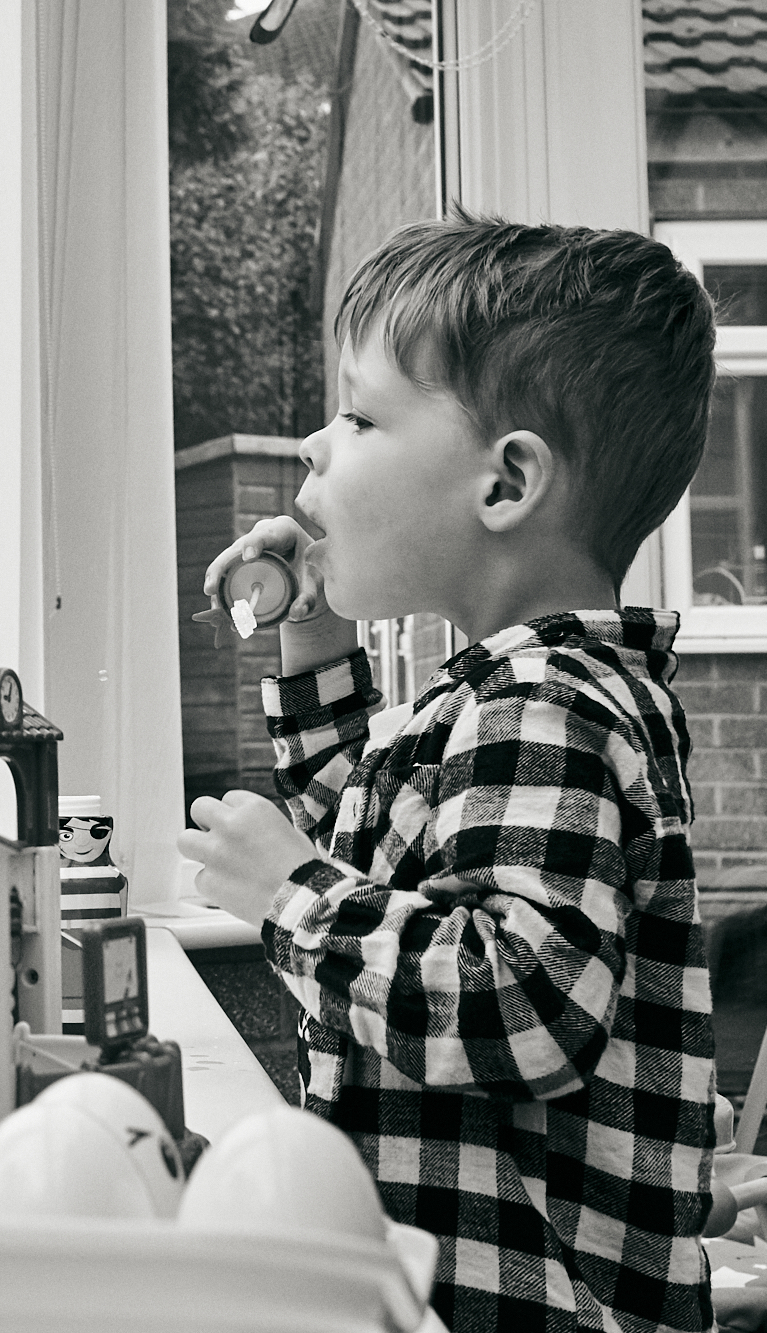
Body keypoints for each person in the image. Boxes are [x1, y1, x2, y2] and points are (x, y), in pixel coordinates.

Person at [180, 215, 718, 1333]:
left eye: (359, 415)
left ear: (505, 481)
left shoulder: (551, 709)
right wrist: (313, 626)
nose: (314, 450)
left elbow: (513, 1003)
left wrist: (286, 897)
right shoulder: (492, 698)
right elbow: (369, 847)